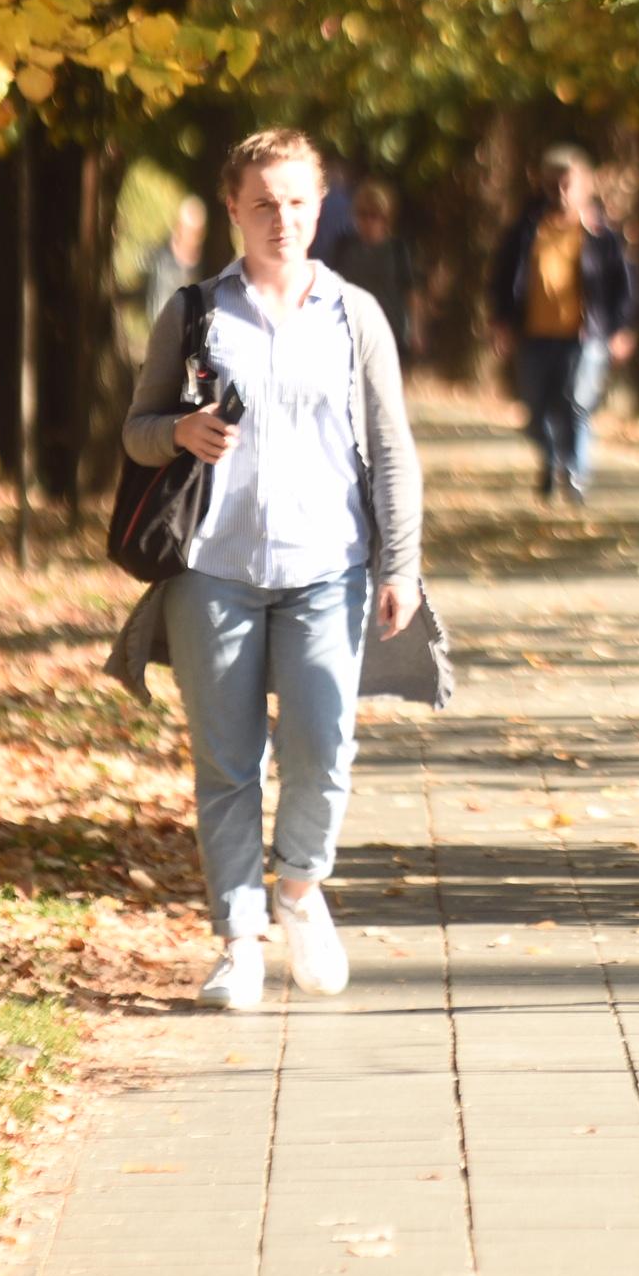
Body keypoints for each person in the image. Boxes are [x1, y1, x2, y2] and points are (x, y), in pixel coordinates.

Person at [123, 129, 425, 1011]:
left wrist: (399, 564)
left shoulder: (353, 314)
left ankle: (298, 885)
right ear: (233, 210)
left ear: (320, 207)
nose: (281, 220)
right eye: (263, 204)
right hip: (211, 569)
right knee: (227, 763)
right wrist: (178, 432)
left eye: (297, 203)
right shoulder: (194, 312)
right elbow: (136, 432)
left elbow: (394, 450)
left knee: (322, 746)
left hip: (327, 567)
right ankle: (238, 938)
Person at [488, 146, 639, 503]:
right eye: (554, 183)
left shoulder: (601, 234)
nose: (560, 191)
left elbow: (625, 285)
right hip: (534, 334)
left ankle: (575, 474)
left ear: (584, 186)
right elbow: (501, 279)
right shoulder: (526, 229)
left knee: (577, 403)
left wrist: (622, 329)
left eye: (568, 183)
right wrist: (501, 323)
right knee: (536, 409)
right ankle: (552, 459)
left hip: (585, 335)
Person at [328, 179, 419, 362]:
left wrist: (415, 330)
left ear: (385, 218)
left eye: (374, 215)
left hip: (389, 332)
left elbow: (411, 293)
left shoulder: (397, 250)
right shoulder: (344, 246)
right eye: (362, 214)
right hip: (350, 331)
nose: (368, 221)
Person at [141, 194, 208, 325]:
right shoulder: (161, 257)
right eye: (191, 231)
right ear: (179, 227)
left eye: (198, 232)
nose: (195, 237)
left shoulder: (205, 265)